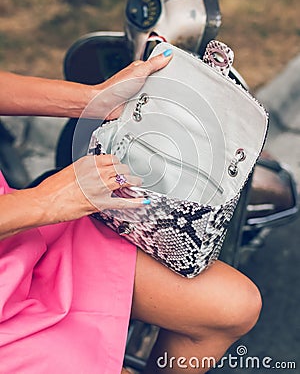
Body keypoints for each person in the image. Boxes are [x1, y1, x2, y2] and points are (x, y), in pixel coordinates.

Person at [0, 50, 262, 374]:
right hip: (27, 230)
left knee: (234, 305)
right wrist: (46, 201)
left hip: (21, 233)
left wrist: (98, 98)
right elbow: (46, 202)